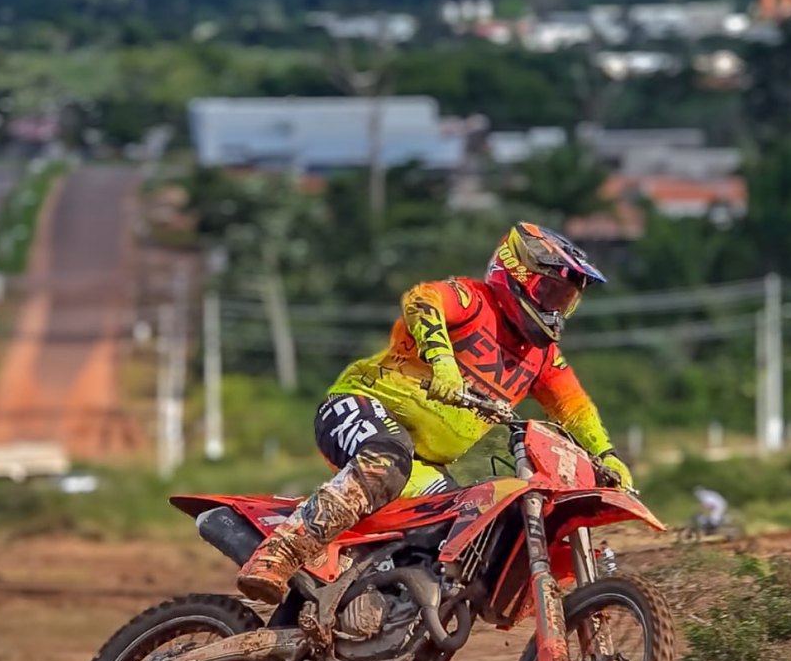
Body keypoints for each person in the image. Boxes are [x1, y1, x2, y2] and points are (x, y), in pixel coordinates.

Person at [237, 223, 630, 604]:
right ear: (515, 274)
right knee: (387, 460)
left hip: (423, 461)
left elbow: (574, 408)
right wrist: (442, 361)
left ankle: (378, 605)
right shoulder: (473, 301)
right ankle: (279, 554)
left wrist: (608, 456)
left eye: (564, 301)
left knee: (463, 521)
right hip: (357, 406)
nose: (554, 309)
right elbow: (422, 299)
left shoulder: (542, 358)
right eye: (548, 292)